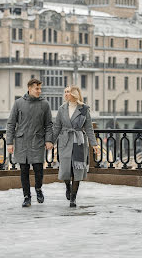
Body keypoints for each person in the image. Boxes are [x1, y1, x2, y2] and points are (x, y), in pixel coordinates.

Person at [6, 79, 53, 207]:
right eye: (36, 88)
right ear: (29, 88)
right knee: (24, 171)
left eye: (40, 88)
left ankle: (38, 189)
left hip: (37, 140)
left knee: (38, 169)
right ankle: (26, 197)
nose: (39, 91)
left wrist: (49, 140)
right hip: (22, 142)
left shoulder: (45, 104)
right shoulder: (18, 103)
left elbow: (49, 125)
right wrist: (9, 142)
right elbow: (11, 124)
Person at [53, 86, 98, 207]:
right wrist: (50, 141)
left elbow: (88, 128)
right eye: (65, 92)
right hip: (65, 141)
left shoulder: (84, 109)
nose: (66, 94)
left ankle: (73, 197)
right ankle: (68, 185)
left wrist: (94, 144)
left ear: (74, 94)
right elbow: (57, 126)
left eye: (68, 92)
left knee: (77, 170)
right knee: (66, 169)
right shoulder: (62, 109)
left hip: (79, 142)